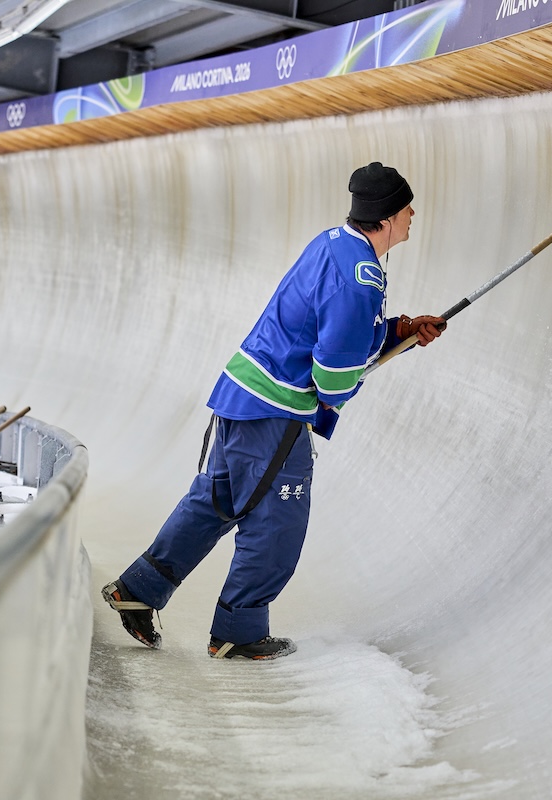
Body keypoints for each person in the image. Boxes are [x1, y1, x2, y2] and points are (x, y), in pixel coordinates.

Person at [102, 162, 445, 660]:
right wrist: (343, 386)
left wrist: (399, 331)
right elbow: (331, 378)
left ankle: (139, 590)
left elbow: (326, 321)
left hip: (242, 394)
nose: (414, 214)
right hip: (275, 413)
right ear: (389, 216)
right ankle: (238, 633)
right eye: (408, 206)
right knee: (276, 523)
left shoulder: (334, 242)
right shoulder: (361, 278)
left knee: (217, 501)